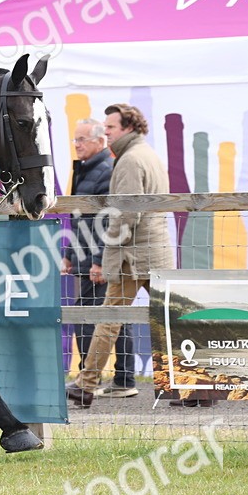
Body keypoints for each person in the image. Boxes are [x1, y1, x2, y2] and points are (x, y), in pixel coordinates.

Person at [67, 103, 174, 408]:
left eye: (110, 127)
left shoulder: (128, 161)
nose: (107, 132)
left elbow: (125, 215)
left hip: (134, 256)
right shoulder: (146, 154)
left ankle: (86, 385)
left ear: (127, 127)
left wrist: (104, 258)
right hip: (150, 252)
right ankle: (192, 387)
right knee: (165, 321)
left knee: (109, 321)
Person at [60, 119, 135, 397]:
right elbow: (79, 218)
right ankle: (123, 379)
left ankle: (88, 381)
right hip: (86, 257)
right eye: (75, 140)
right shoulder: (86, 169)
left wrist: (101, 261)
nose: (77, 145)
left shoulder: (106, 171)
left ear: (99, 141)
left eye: (81, 139)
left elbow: (109, 222)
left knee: (91, 316)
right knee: (113, 316)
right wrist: (69, 255)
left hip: (98, 260)